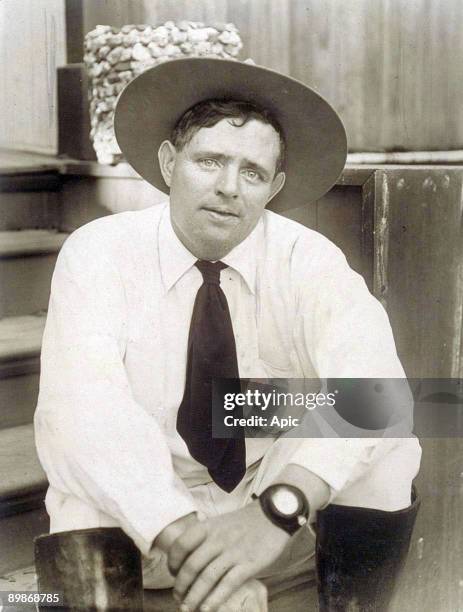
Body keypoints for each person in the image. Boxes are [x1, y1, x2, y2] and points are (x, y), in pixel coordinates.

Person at [34, 57, 421, 611]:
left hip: (265, 511)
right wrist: (198, 550)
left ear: (275, 186)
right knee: (77, 445)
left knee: (391, 440)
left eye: (253, 172)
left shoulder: (306, 259)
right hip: (146, 518)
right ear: (169, 162)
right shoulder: (100, 251)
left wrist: (278, 510)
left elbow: (380, 392)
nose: (228, 189)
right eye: (209, 161)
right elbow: (84, 414)